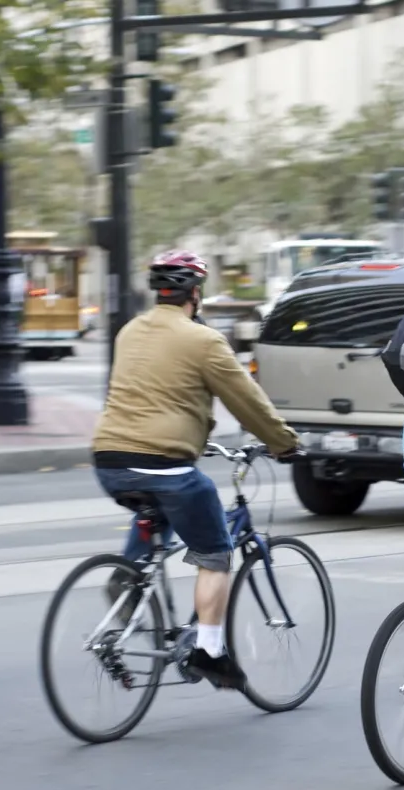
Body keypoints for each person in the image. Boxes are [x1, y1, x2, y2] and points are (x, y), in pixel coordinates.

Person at [91, 250, 302, 691]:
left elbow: (151, 393)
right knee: (214, 552)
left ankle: (128, 580)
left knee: (159, 510)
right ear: (196, 294)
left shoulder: (129, 331)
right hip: (164, 464)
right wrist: (285, 443)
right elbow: (247, 401)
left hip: (109, 459)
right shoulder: (203, 340)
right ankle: (210, 651)